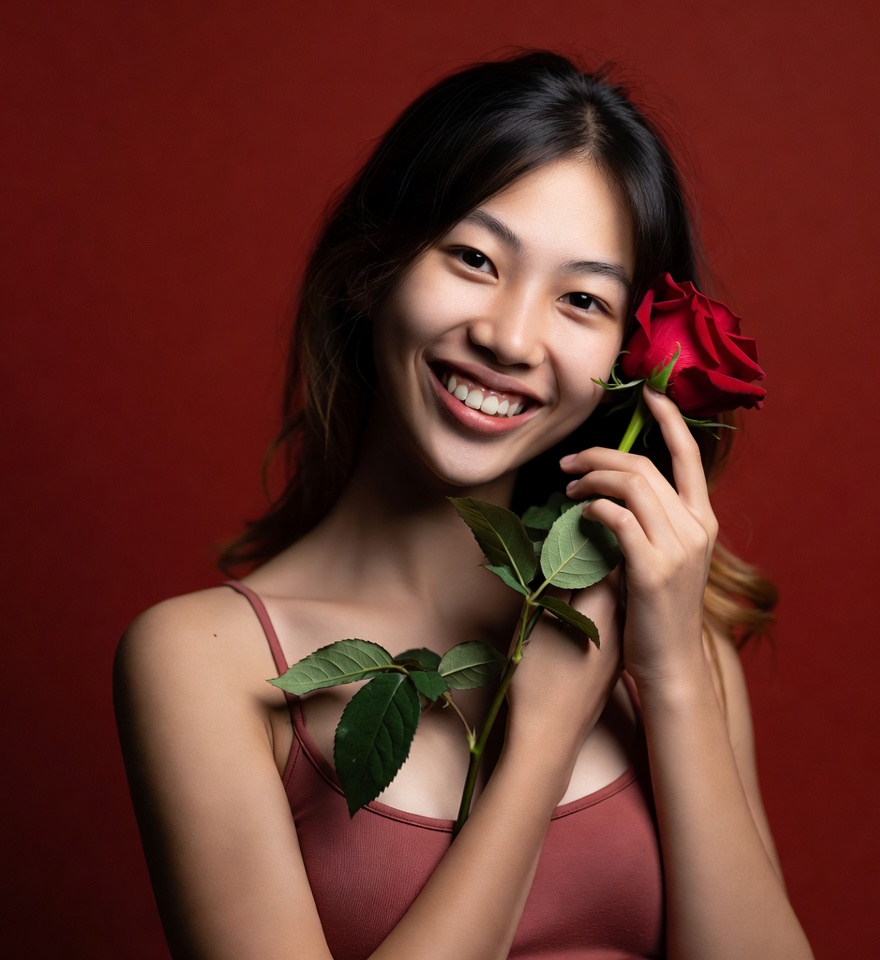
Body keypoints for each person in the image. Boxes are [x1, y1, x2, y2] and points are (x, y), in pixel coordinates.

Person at [114, 51, 814, 960]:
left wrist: (677, 674)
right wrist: (541, 747)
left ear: (625, 359)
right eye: (475, 258)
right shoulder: (204, 665)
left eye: (581, 299)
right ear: (375, 271)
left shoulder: (672, 635)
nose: (510, 336)